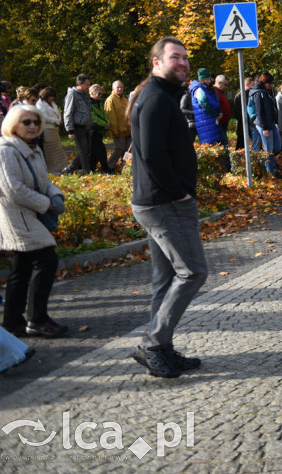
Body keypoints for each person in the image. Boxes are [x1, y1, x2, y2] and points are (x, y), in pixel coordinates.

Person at [129, 37, 207, 378]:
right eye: (175, 57)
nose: (183, 63)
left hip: (161, 201)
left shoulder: (163, 96)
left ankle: (162, 348)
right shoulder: (156, 99)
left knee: (165, 279)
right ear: (156, 62)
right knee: (193, 272)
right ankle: (153, 343)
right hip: (164, 204)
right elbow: (150, 153)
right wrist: (179, 195)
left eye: (185, 58)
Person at [0, 105, 68, 338]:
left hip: (29, 216)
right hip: (17, 219)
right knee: (46, 259)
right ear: (13, 124)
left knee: (21, 269)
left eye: (35, 121)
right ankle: (37, 319)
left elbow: (42, 180)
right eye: (26, 122)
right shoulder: (4, 150)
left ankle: (13, 322)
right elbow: (14, 190)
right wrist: (47, 203)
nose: (32, 126)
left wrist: (55, 193)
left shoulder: (32, 149)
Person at [249, 72, 282, 179]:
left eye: (272, 82)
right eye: (269, 83)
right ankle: (271, 171)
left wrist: (275, 121)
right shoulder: (258, 93)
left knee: (277, 147)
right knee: (269, 149)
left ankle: (264, 164)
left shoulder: (269, 91)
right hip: (263, 123)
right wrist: (264, 127)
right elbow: (259, 111)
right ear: (263, 82)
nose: (271, 84)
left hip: (271, 122)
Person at [62, 74, 93, 175]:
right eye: (87, 85)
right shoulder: (72, 94)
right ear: (79, 84)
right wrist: (70, 130)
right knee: (83, 150)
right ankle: (86, 171)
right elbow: (68, 112)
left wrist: (90, 125)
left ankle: (70, 168)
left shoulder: (85, 94)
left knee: (87, 149)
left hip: (86, 126)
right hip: (77, 126)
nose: (88, 87)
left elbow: (88, 111)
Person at [36, 87, 66, 174]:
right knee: (50, 150)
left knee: (58, 149)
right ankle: (52, 169)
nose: (52, 98)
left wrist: (59, 120)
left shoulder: (53, 103)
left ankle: (61, 167)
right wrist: (56, 121)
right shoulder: (40, 104)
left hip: (55, 129)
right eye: (51, 96)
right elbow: (43, 117)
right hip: (47, 129)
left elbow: (58, 113)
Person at [105, 80, 131, 172]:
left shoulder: (125, 100)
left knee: (128, 150)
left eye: (121, 87)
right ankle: (108, 166)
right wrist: (114, 131)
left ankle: (125, 168)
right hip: (118, 131)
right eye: (118, 87)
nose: (120, 89)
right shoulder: (110, 100)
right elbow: (111, 117)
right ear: (113, 88)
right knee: (119, 149)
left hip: (128, 130)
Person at [86, 83, 113, 173]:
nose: (100, 96)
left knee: (95, 152)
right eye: (99, 94)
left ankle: (91, 169)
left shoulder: (98, 103)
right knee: (101, 150)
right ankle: (105, 169)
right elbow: (93, 117)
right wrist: (104, 124)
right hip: (93, 130)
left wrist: (108, 122)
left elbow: (103, 114)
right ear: (92, 93)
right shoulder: (89, 103)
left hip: (100, 130)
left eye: (101, 94)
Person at [232, 76, 254, 150]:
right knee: (241, 143)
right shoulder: (239, 96)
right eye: (252, 85)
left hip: (251, 122)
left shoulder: (251, 95)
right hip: (243, 123)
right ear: (247, 85)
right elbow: (237, 112)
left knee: (256, 141)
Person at [213, 75, 233, 146]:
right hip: (219, 122)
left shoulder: (220, 92)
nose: (226, 87)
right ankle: (225, 157)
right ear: (219, 83)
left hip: (223, 122)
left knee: (224, 142)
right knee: (224, 142)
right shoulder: (214, 91)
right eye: (225, 85)